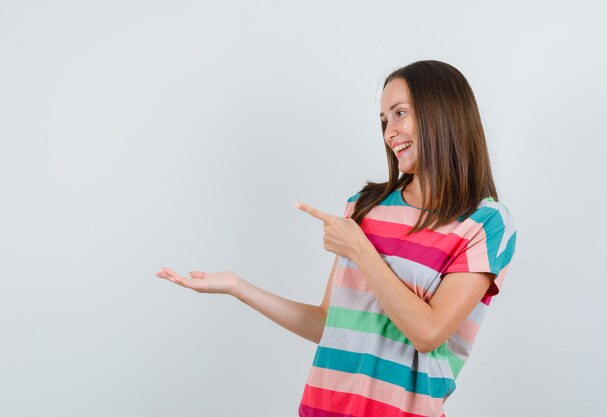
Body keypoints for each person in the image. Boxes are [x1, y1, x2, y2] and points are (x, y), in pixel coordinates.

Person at [156, 59, 517, 417]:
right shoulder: (364, 208)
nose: (389, 131)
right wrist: (237, 286)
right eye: (383, 120)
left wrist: (360, 249)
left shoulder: (485, 224)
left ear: (443, 114)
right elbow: (327, 324)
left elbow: (428, 332)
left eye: (400, 113)